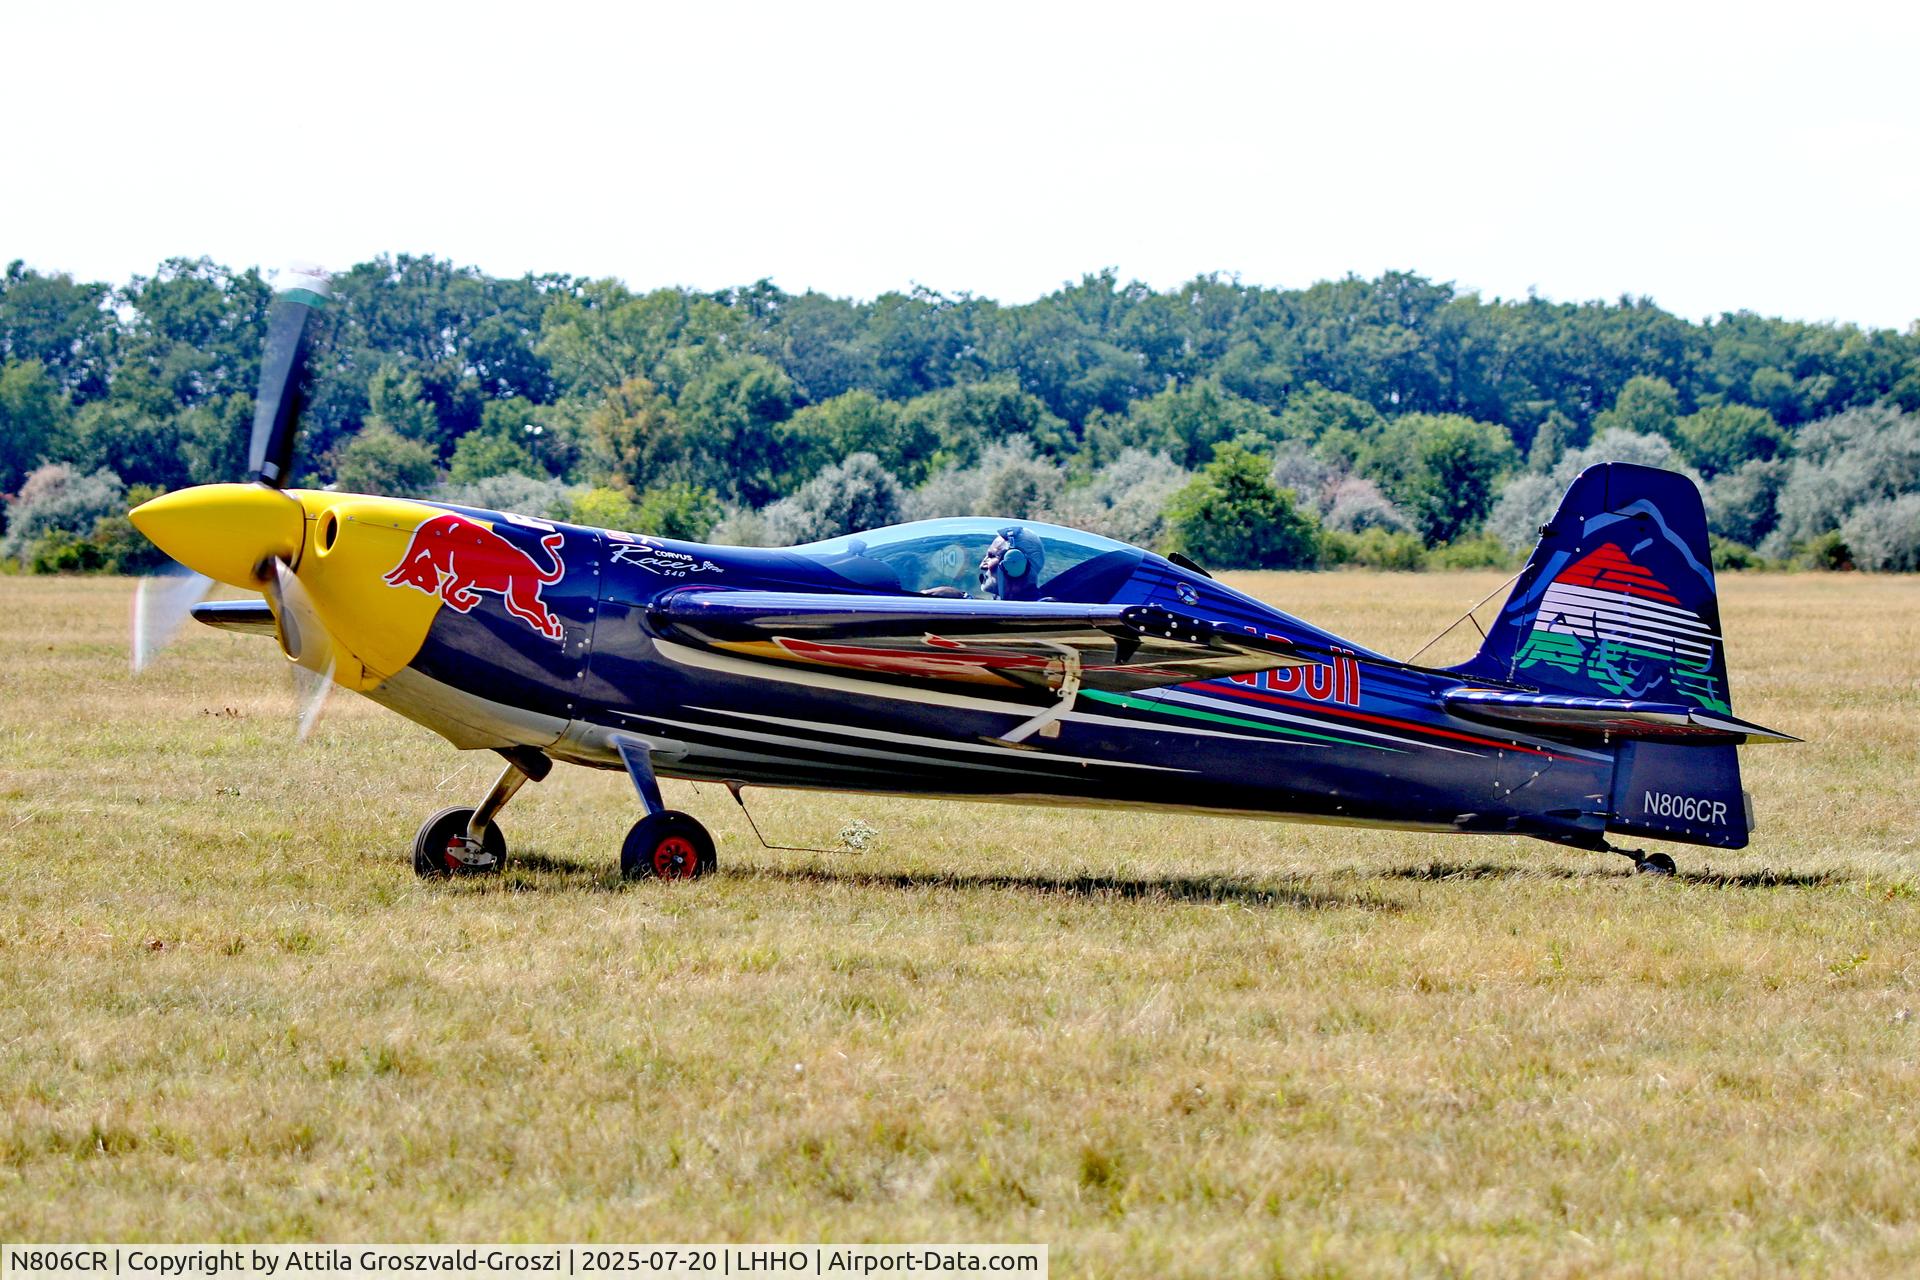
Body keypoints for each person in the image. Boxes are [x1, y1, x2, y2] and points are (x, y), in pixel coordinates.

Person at [978, 526, 1046, 601]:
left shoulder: (1041, 610)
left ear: (1015, 564)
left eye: (991, 556)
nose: (982, 566)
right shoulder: (1005, 606)